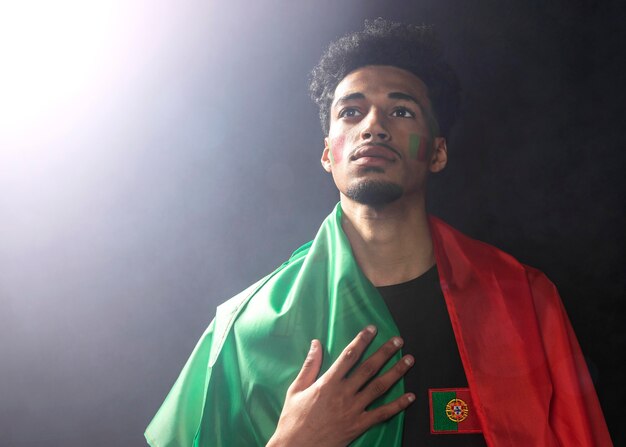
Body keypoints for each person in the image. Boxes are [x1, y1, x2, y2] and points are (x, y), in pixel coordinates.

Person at [145, 19, 612, 446]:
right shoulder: (245, 329)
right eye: (350, 112)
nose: (373, 126)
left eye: (402, 112)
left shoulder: (523, 301)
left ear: (436, 152)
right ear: (329, 153)